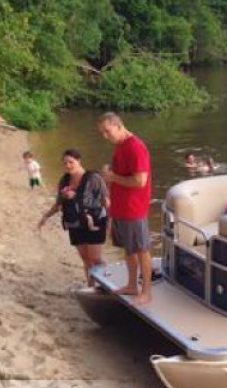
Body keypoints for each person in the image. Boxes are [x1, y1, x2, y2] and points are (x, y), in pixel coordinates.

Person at [97, 112, 153, 304]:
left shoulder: (135, 147)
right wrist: (110, 174)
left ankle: (146, 292)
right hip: (120, 207)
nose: (105, 136)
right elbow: (123, 173)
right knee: (129, 249)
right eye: (102, 133)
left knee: (141, 249)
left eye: (107, 131)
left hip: (133, 208)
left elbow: (140, 181)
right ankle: (132, 285)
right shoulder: (120, 145)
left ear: (119, 125)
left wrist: (112, 177)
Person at [38, 149, 109, 286]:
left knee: (95, 258)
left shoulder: (93, 178)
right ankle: (91, 286)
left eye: (71, 162)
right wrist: (45, 217)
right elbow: (58, 204)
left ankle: (106, 283)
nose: (68, 165)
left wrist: (111, 222)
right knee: (86, 258)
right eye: (65, 163)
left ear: (79, 160)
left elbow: (105, 201)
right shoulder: (64, 180)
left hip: (94, 222)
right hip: (74, 223)